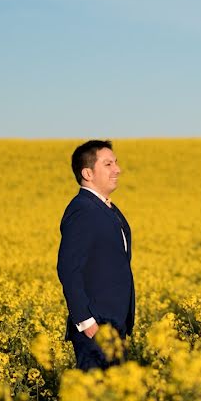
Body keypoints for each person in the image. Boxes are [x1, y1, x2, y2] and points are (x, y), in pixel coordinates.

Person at [57, 140, 135, 371]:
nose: (117, 169)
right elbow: (68, 269)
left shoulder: (104, 207)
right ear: (88, 173)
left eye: (116, 163)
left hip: (114, 325)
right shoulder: (83, 209)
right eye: (108, 164)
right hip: (96, 328)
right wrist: (87, 323)